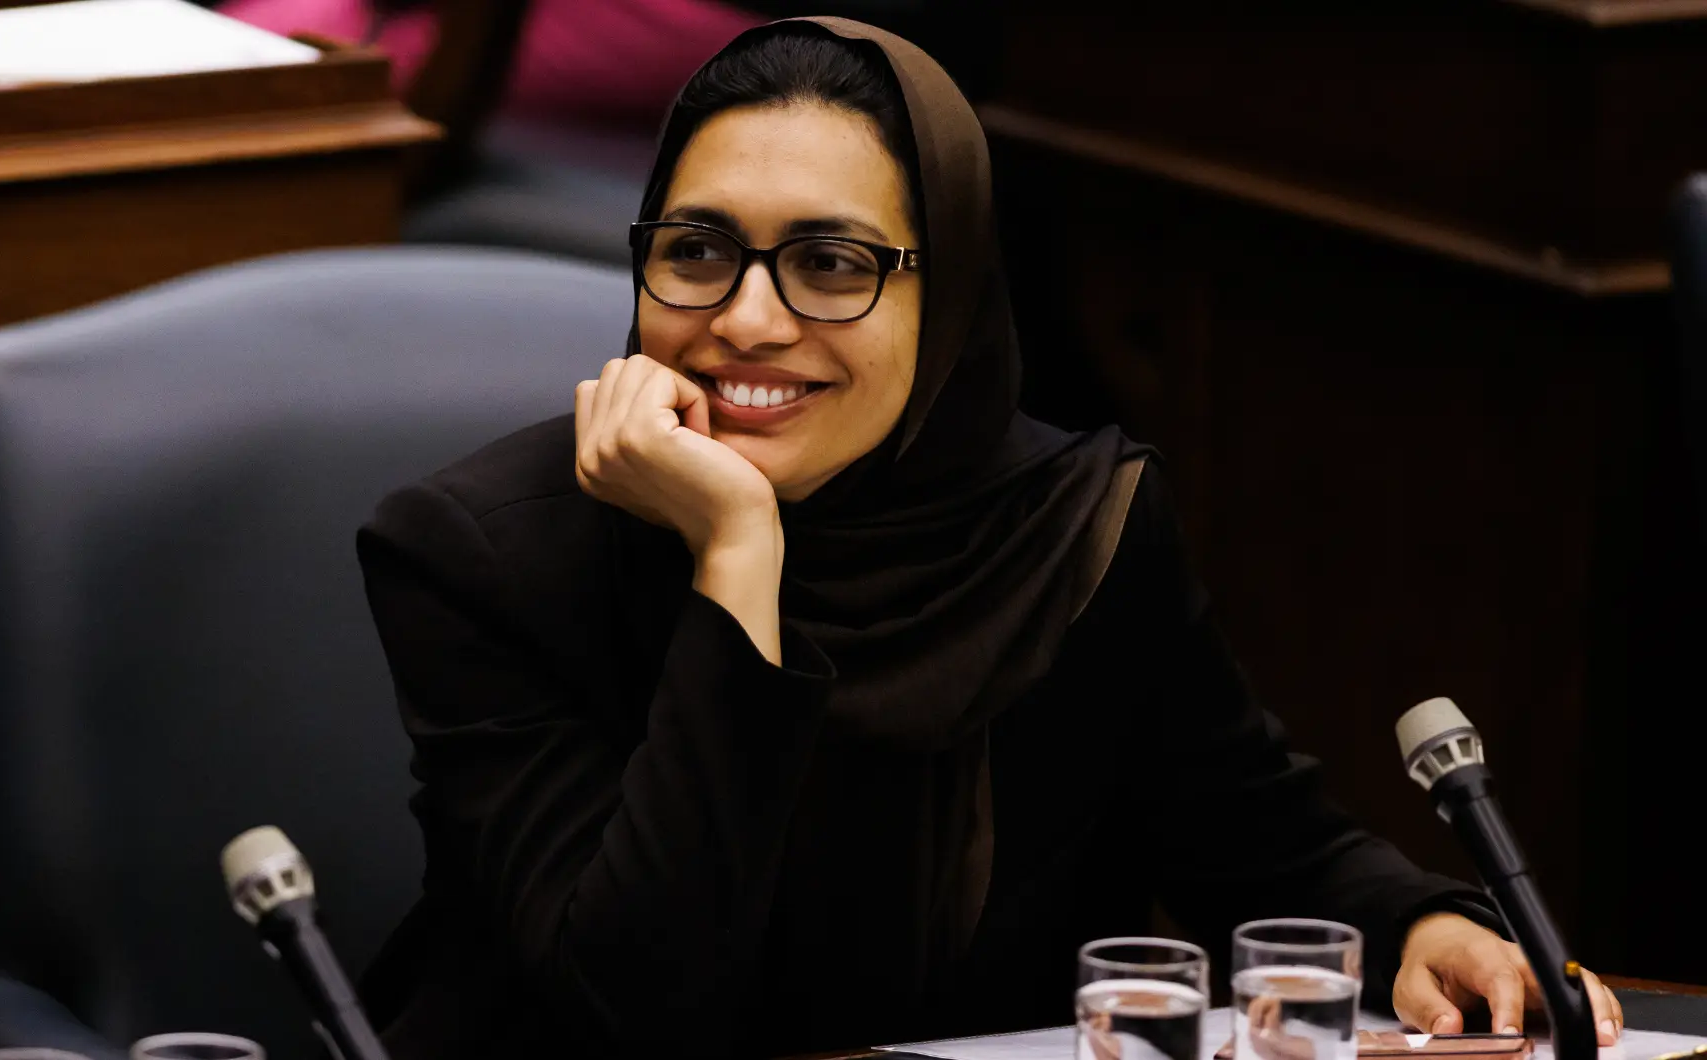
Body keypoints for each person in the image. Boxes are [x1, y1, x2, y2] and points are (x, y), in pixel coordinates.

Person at [353, 17, 1627, 1059]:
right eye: (697, 252)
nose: (745, 318)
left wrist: (1419, 925)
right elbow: (632, 1003)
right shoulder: (484, 560)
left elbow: (1260, 848)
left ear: (950, 287)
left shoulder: (1071, 533)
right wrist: (737, 558)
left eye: (831, 263)